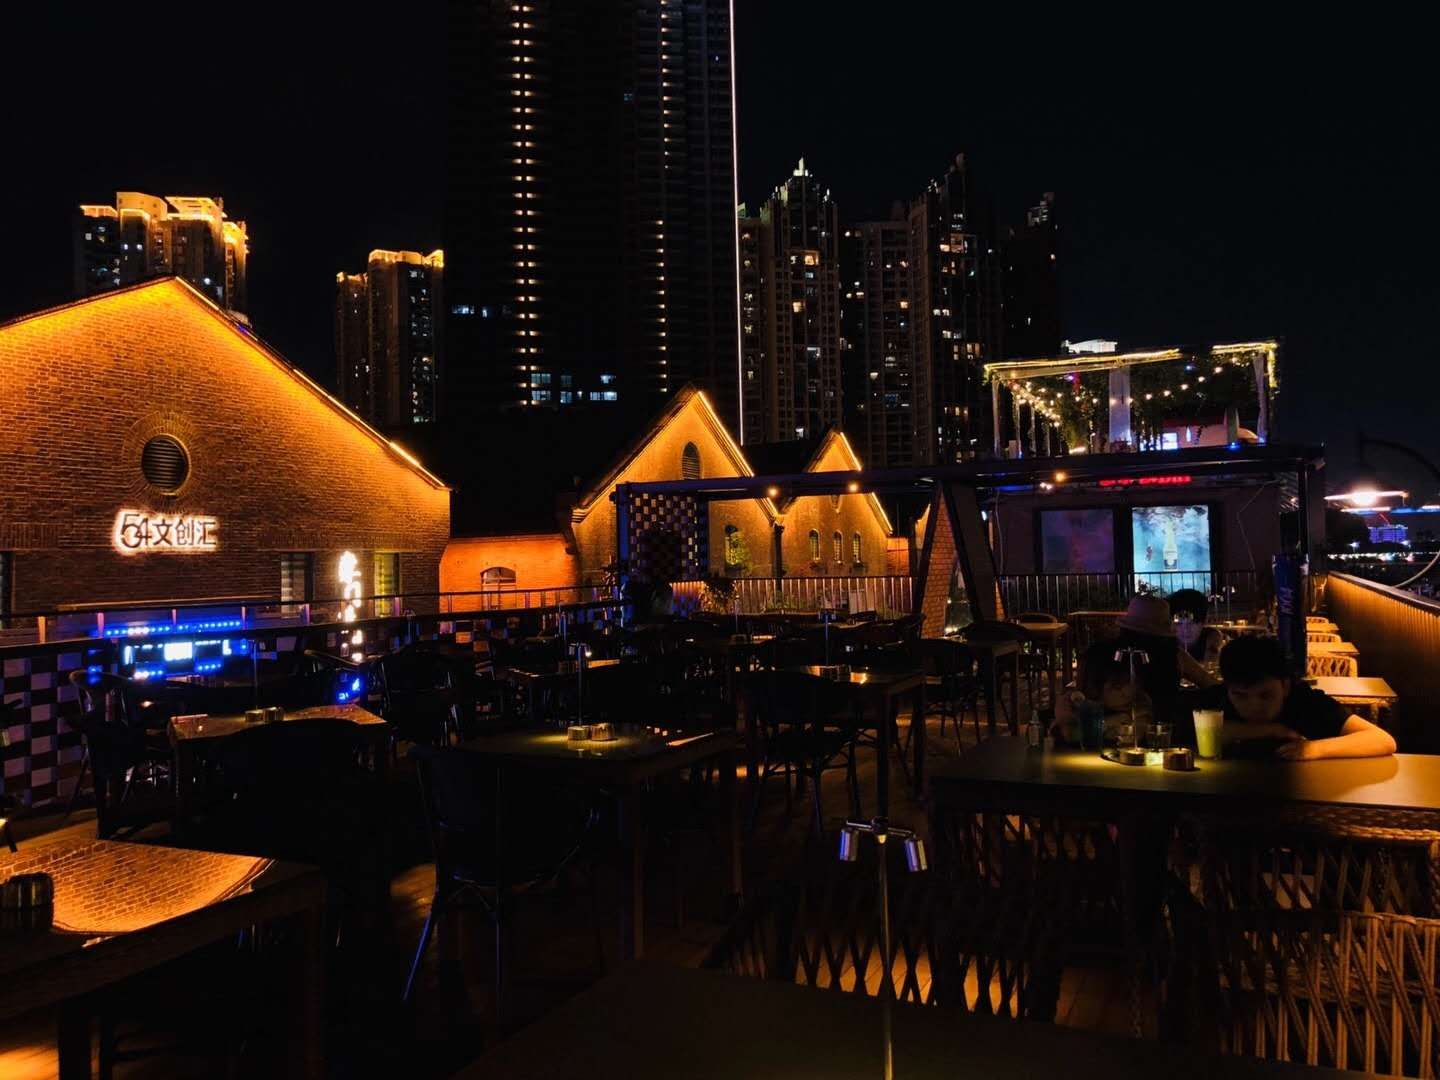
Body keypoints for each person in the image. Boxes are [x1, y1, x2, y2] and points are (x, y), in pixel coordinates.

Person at [1218, 635, 1396, 760]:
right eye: (1240, 696)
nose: (1253, 705)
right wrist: (1273, 730)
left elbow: (1383, 740)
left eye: (1265, 695)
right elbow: (1209, 731)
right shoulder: (1221, 696)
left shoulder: (1306, 702)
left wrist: (1314, 748)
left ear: (1285, 686)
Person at [1166, 588, 1224, 667]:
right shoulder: (1166, 642)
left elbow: (1212, 664)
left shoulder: (1211, 638)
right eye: (1179, 624)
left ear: (1203, 622)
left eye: (1192, 623)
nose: (1185, 629)